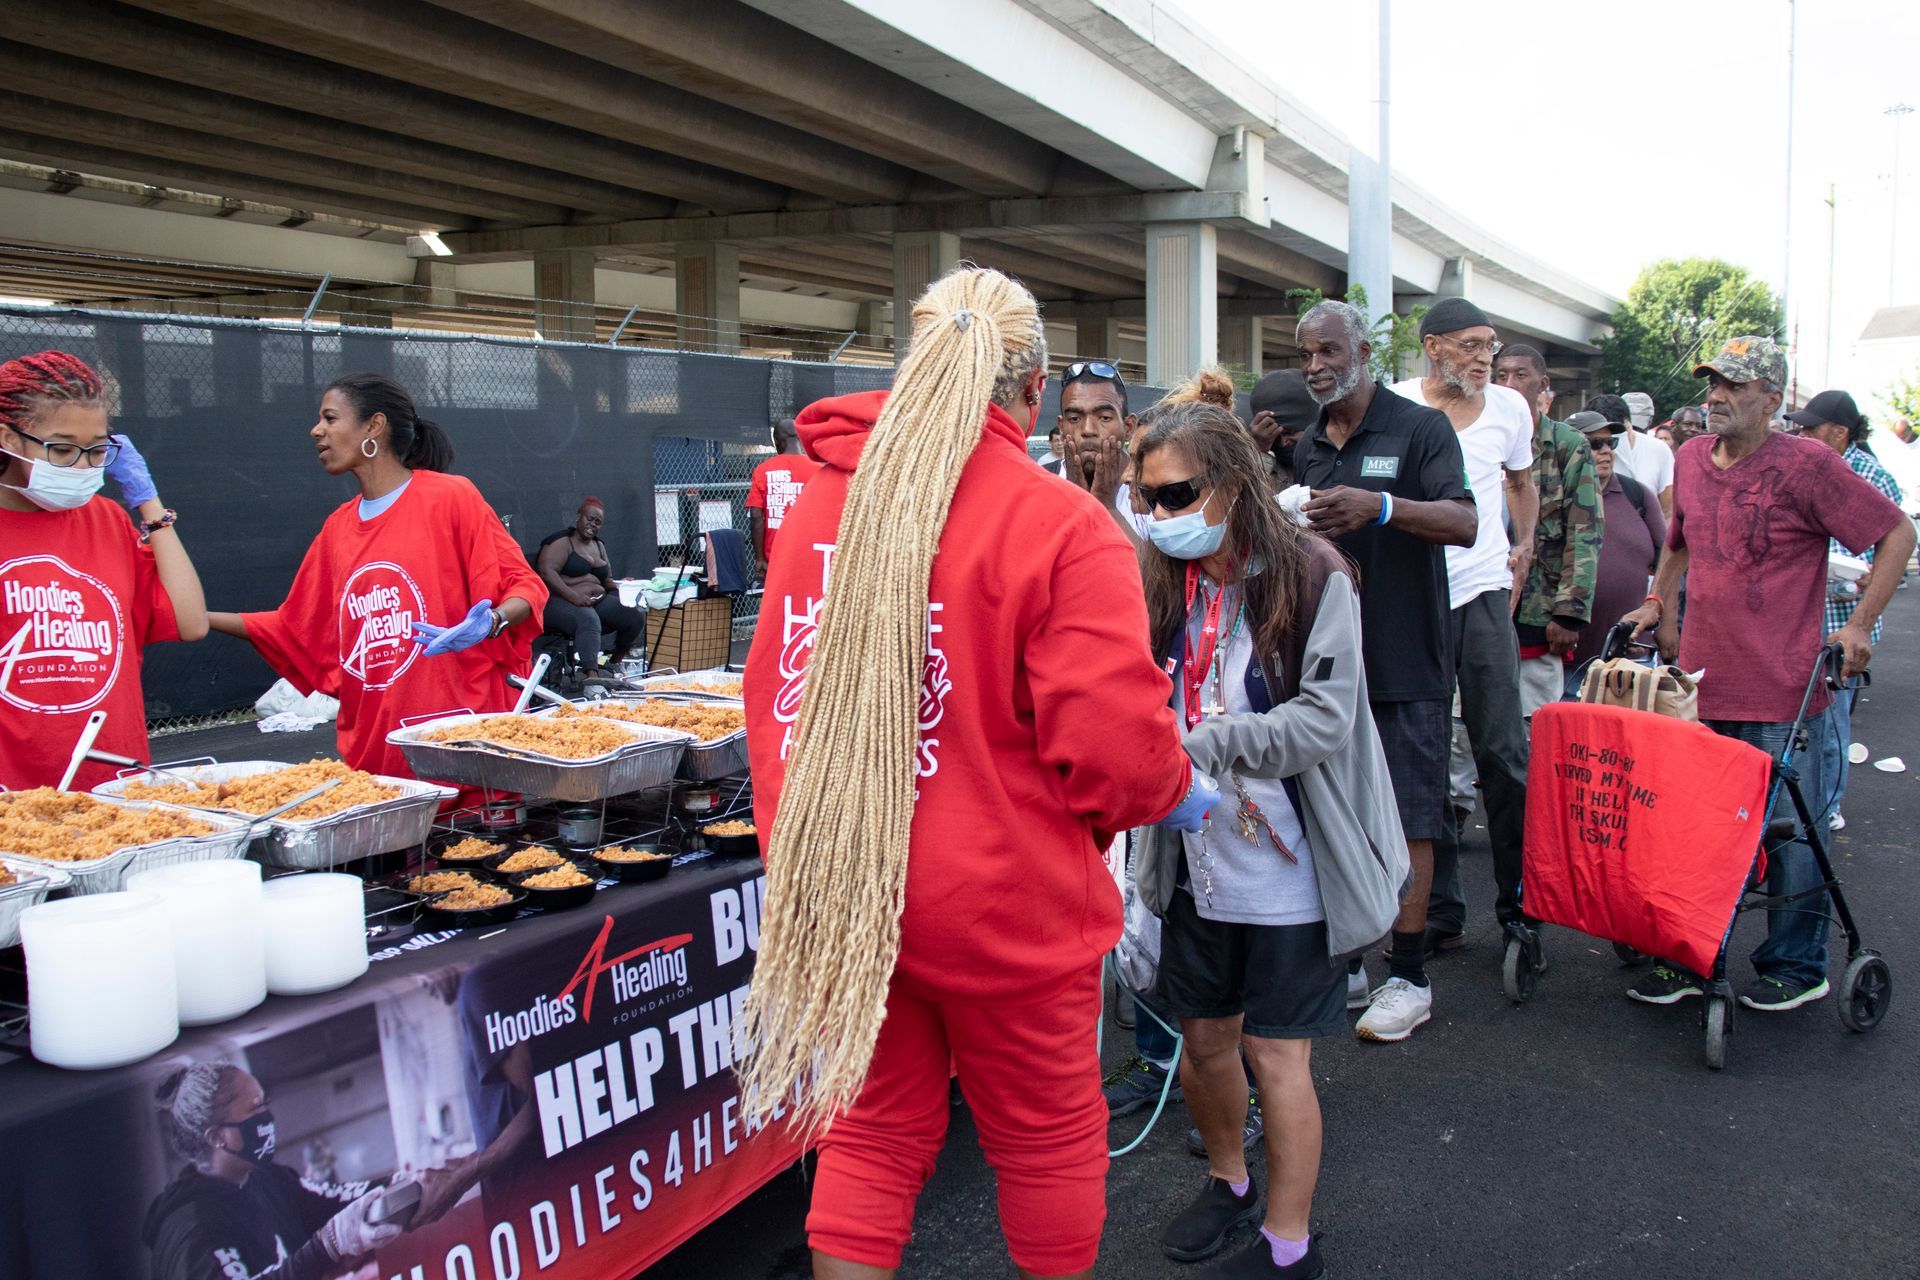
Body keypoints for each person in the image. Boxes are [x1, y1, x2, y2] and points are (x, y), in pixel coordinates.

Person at [737, 266, 1216, 1280]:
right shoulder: (1058, 522)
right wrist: (1173, 790)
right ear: (1032, 391)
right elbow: (1119, 754)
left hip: (848, 891)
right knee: (1045, 1136)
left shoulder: (824, 498)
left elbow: (771, 686)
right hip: (1004, 905)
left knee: (869, 1136)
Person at [1131, 399, 1406, 1278]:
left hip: (1294, 856)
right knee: (1206, 1041)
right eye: (1147, 498)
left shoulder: (1314, 573)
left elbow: (1325, 721)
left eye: (1177, 495)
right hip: (1196, 853)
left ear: (1234, 484)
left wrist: (1200, 741)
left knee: (1277, 1054)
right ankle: (1228, 1183)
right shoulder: (1159, 581)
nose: (1159, 515)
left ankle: (1290, 1246)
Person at [1620, 337, 1914, 1012]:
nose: (1716, 396)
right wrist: (1660, 600)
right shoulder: (1692, 457)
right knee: (1698, 832)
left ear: (1773, 401)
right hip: (1699, 682)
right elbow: (1681, 539)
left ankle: (1796, 963)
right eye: (1712, 383)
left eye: (1734, 385)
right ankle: (1693, 955)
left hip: (1786, 689)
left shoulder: (1809, 465)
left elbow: (1897, 533)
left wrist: (1860, 624)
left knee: (1788, 833)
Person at [208, 373, 546, 782]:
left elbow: (525, 588)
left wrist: (492, 622)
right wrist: (198, 618)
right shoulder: (337, 529)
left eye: (330, 418)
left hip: (460, 747)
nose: (317, 431)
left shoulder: (450, 498)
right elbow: (292, 627)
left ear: (374, 426)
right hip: (378, 758)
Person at [1293, 299, 1476, 1043]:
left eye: (1329, 352)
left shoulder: (1418, 428)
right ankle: (1352, 960)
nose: (1316, 367)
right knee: (1332, 813)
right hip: (1328, 667)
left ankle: (1409, 974)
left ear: (1362, 352)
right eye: (1306, 355)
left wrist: (1384, 507)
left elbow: (1463, 523)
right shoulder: (1308, 443)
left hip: (1406, 658)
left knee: (1409, 817)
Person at [1390, 298, 1538, 961]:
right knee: (1420, 763)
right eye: (1472, 345)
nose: (1486, 357)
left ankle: (1520, 907)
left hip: (1482, 593)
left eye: (1491, 345)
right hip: (1415, 602)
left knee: (1503, 754)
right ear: (1433, 348)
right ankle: (1440, 911)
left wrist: (1524, 545)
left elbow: (1522, 481)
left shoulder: (1510, 408)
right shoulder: (1395, 406)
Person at [0, 350, 208, 791]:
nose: (83, 466)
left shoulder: (108, 520)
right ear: (9, 438)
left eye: (97, 451)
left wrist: (148, 504)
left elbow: (190, 622)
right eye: (62, 449)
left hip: (113, 785)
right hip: (13, 801)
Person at [145, 1063, 419, 1279]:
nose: (268, 1118)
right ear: (217, 1137)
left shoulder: (265, 1179)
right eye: (256, 1108)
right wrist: (327, 1245)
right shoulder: (192, 1230)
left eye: (266, 1103)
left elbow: (334, 1201)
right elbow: (328, 1240)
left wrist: (408, 1182)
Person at [1784, 388, 1905, 831]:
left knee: (1831, 724)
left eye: (1811, 427)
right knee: (1797, 723)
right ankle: (1799, 801)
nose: (1802, 433)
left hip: (1841, 622)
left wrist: (1868, 577)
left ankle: (1827, 806)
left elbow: (1894, 546)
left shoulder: (1872, 475)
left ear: (1839, 433)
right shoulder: (1800, 468)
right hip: (1797, 618)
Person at [1494, 344, 1602, 720]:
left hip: (1540, 611)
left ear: (1543, 383)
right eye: (1501, 375)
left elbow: (1585, 531)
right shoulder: (1481, 437)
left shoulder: (1567, 445)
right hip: (1484, 605)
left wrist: (1569, 613)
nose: (1509, 384)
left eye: (1520, 375)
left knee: (1535, 724)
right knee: (1466, 734)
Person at [1562, 411, 1665, 687]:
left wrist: (1665, 624)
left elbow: (1668, 562)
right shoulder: (1553, 495)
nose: (1606, 451)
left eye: (1611, 443)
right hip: (1564, 661)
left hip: (1630, 657)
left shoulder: (1638, 495)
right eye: (1595, 444)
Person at [535, 497, 645, 679]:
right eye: (589, 518)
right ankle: (591, 680)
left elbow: (606, 580)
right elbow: (547, 572)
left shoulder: (598, 545)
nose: (592, 524)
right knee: (589, 619)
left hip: (594, 600)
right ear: (579, 516)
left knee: (633, 615)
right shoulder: (562, 542)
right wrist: (573, 597)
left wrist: (623, 583)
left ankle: (614, 664)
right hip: (559, 601)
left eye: (598, 522)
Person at [1057, 358, 1142, 541]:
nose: (1088, 430)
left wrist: (1105, 504)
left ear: (1128, 427)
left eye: (1104, 418)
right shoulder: (1043, 482)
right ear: (1061, 427)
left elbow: (1153, 570)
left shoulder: (1149, 488)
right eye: (1074, 418)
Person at [745, 416, 822, 568]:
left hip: (776, 554)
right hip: (811, 551)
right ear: (800, 439)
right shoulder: (819, 470)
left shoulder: (763, 470)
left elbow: (755, 516)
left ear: (777, 441)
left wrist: (759, 558)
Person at [1247, 369, 1317, 488]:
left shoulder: (1332, 461)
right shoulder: (1267, 466)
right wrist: (1258, 450)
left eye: (1290, 432)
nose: (1283, 443)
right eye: (1275, 435)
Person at [1610, 390, 1675, 517]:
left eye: (1639, 425)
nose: (1635, 430)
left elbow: (1668, 510)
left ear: (1650, 420)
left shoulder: (1659, 449)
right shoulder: (1604, 448)